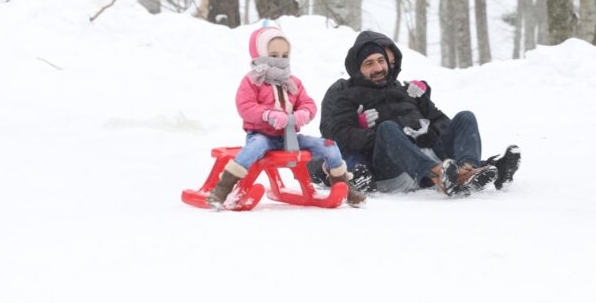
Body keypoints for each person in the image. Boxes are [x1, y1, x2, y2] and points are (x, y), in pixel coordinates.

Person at [319, 31, 520, 196]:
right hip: (393, 169)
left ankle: (468, 171)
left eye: (381, 60)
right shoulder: (346, 93)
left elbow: (444, 123)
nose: (378, 67)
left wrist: (427, 127)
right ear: (357, 68)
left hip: (427, 154)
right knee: (387, 128)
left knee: (465, 117)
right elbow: (333, 133)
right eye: (369, 63)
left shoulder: (406, 90)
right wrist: (361, 125)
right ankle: (439, 174)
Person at [207, 21, 366, 208]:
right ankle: (222, 189)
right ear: (260, 54)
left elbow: (308, 103)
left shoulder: (292, 82)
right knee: (253, 148)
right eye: (273, 55)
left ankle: (344, 187)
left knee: (329, 146)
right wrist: (267, 115)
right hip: (262, 136)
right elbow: (245, 106)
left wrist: (304, 113)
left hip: (290, 137)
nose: (280, 59)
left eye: (284, 55)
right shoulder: (252, 81)